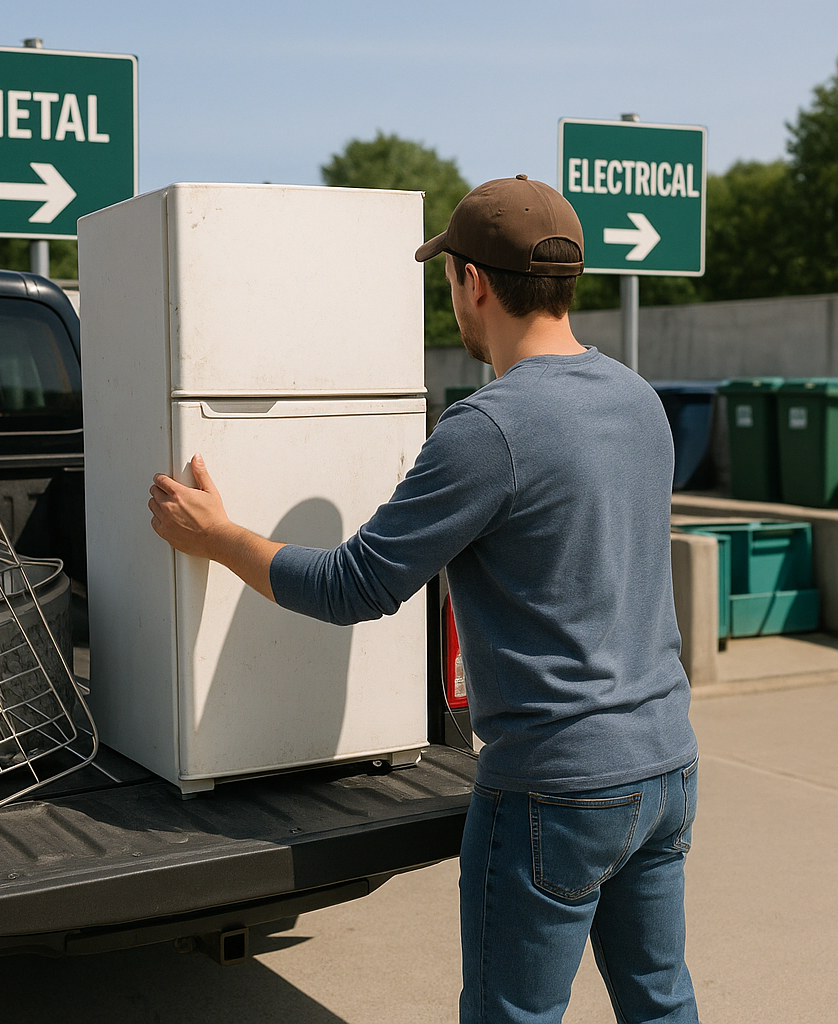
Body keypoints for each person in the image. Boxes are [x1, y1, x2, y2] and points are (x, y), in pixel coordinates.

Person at [148, 174, 701, 1024]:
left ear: (473, 282)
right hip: (665, 763)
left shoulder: (488, 430)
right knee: (661, 1005)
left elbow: (353, 585)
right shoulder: (640, 400)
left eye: (448, 279)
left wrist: (216, 535)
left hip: (555, 789)